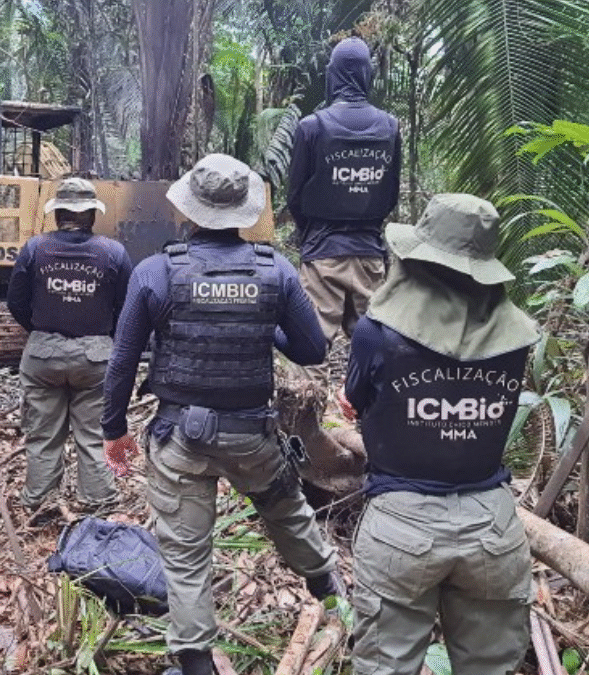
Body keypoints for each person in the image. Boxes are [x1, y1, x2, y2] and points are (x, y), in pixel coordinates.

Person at [102, 154, 343, 675]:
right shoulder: (273, 269)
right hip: (253, 437)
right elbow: (311, 350)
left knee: (186, 555)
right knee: (288, 513)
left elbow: (123, 358)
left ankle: (194, 662)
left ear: (189, 209)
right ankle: (333, 594)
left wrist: (113, 429)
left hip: (181, 442)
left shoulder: (156, 271)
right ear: (243, 212)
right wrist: (263, 325)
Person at [339, 194, 540, 675]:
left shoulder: (375, 332)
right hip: (493, 525)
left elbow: (356, 396)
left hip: (401, 524)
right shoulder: (518, 337)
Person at [7, 177, 132, 517]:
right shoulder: (114, 253)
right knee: (93, 435)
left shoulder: (35, 248)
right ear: (92, 214)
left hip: (43, 353)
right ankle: (99, 504)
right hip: (96, 357)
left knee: (43, 435)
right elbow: (126, 309)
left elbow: (16, 301)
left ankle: (40, 502)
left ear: (57, 212)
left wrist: (41, 332)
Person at [287, 36, 401, 387]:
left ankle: (304, 434)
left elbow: (295, 197)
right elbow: (390, 194)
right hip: (370, 254)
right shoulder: (390, 126)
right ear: (368, 74)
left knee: (309, 352)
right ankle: (381, 429)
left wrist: (312, 232)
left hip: (323, 254)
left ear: (332, 74)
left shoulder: (312, 127)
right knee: (381, 351)